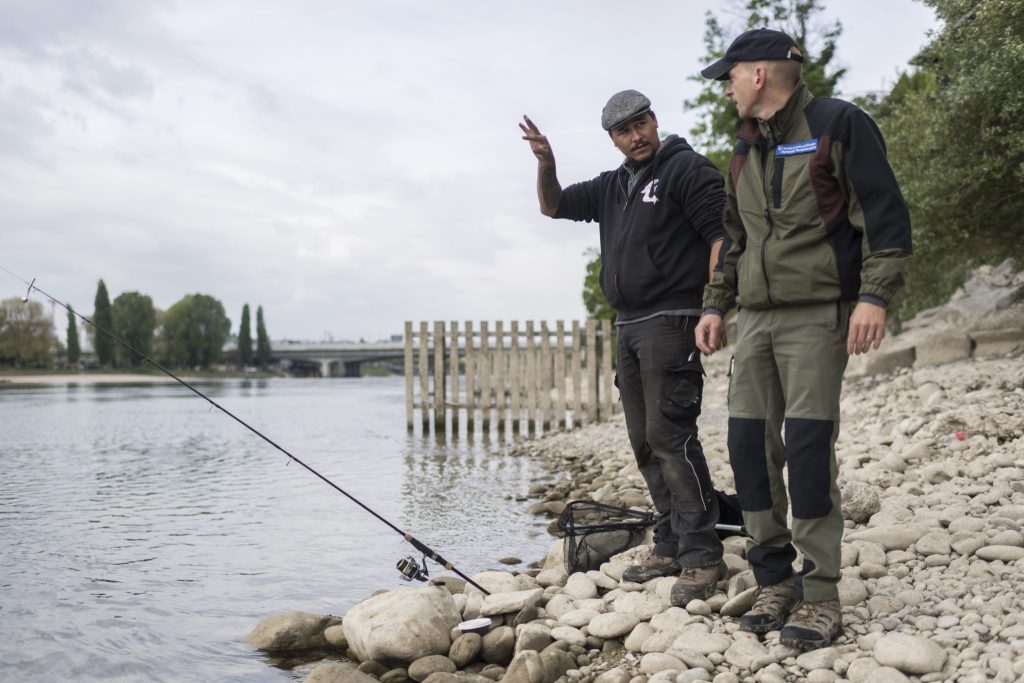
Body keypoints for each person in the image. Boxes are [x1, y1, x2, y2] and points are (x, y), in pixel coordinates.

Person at [694, 29, 913, 649]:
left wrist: (873, 296)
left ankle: (820, 594)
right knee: (746, 445)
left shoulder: (840, 124)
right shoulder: (744, 148)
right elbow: (735, 242)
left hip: (819, 315)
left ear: (758, 74)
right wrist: (716, 306)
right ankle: (773, 578)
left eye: (730, 74)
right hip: (755, 321)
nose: (727, 86)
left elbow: (886, 216)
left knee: (810, 449)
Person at [520, 91, 728, 606]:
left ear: (654, 121)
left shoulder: (687, 170)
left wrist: (713, 306)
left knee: (670, 435)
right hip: (628, 324)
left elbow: (723, 238)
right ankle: (670, 541)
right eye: (623, 131)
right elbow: (553, 206)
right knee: (642, 439)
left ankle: (703, 556)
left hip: (672, 320)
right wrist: (547, 165)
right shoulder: (613, 186)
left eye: (641, 124)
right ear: (611, 138)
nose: (635, 136)